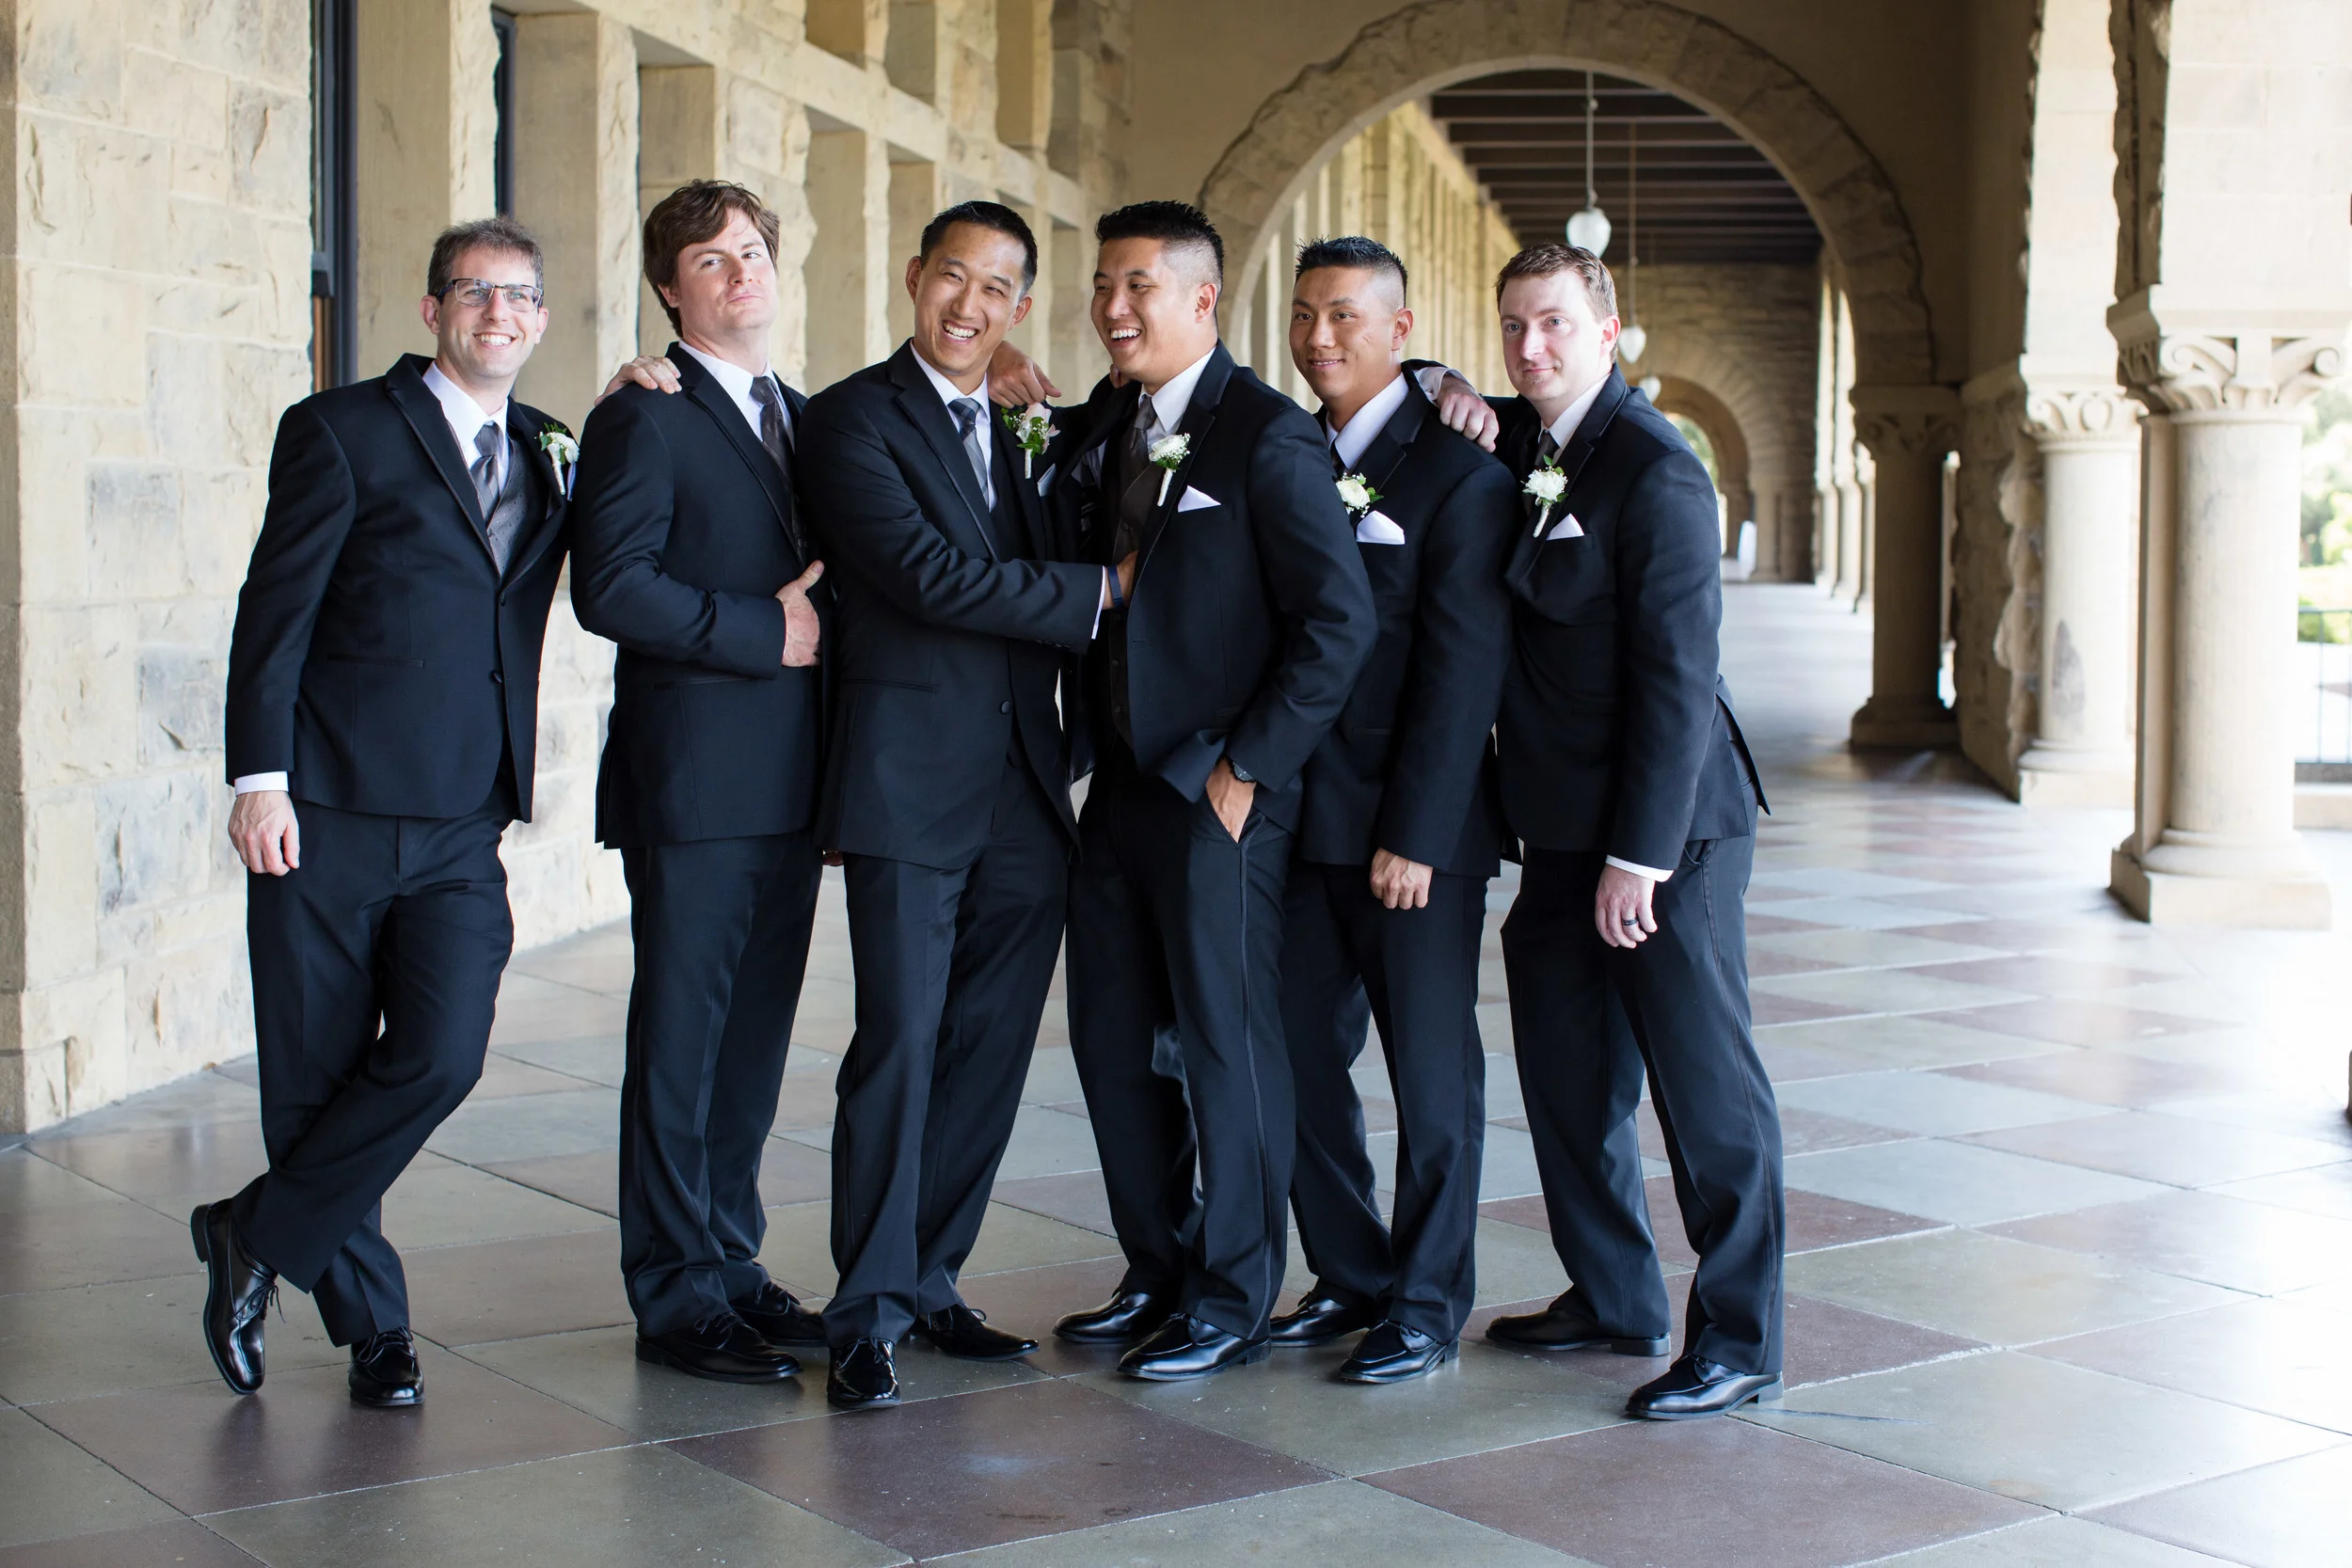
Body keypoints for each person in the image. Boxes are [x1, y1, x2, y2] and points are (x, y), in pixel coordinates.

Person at [201, 218, 571, 1408]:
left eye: (519, 296)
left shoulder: (551, 447)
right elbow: (275, 611)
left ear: (541, 318)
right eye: (474, 291)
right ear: (432, 309)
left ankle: (253, 1230)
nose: (498, 313)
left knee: (441, 1051)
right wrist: (259, 779)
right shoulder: (341, 429)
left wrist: (643, 389)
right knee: (314, 1072)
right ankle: (374, 1326)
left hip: (463, 815)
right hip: (328, 803)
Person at [1432, 245, 1781, 1419]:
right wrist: (1441, 380)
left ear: (1608, 329)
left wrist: (1642, 855)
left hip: (1665, 836)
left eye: (1553, 324)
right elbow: (1424, 387)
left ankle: (1739, 1337)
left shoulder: (1656, 469)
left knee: (1704, 1092)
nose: (1530, 346)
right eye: (1512, 326)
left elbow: (1679, 680)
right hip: (1556, 829)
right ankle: (1613, 1291)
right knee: (1568, 1074)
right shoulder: (1528, 440)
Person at [796, 202, 1135, 1409]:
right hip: (906, 783)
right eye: (954, 277)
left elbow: (1128, 439)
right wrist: (1104, 590)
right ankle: (867, 1311)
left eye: (997, 289)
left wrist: (1436, 386)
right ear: (913, 277)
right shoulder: (850, 419)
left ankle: (932, 1280)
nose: (970, 305)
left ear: (1019, 306)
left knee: (986, 1051)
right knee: (899, 1043)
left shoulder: (1022, 421)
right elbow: (929, 577)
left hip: (1025, 789)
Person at [1048, 201, 1376, 1381]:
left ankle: (1234, 1293)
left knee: (1226, 1043)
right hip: (1115, 786)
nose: (1113, 306)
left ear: (1201, 299)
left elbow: (1338, 623)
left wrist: (1248, 766)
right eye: (1103, 284)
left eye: (1137, 285)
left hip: (1219, 792)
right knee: (1107, 1037)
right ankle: (1158, 1264)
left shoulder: (1268, 435)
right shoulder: (1110, 418)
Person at [569, 180, 829, 1386]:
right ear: (671, 290)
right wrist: (759, 629)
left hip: (795, 784)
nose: (740, 272)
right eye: (711, 260)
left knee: (754, 1042)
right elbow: (608, 586)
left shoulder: (804, 417)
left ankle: (728, 1258)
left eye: (752, 251)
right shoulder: (643, 413)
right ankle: (673, 1292)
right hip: (694, 784)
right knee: (683, 1041)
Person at [1265, 238, 1516, 1385]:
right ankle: (1350, 1270)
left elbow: (1462, 671)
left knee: (1430, 1071)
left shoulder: (1460, 470)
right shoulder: (1282, 448)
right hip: (1295, 818)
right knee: (1296, 1056)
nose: (1320, 337)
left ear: (1400, 329)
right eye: (1304, 314)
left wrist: (1414, 832)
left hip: (1416, 829)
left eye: (1345, 316)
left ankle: (1424, 1300)